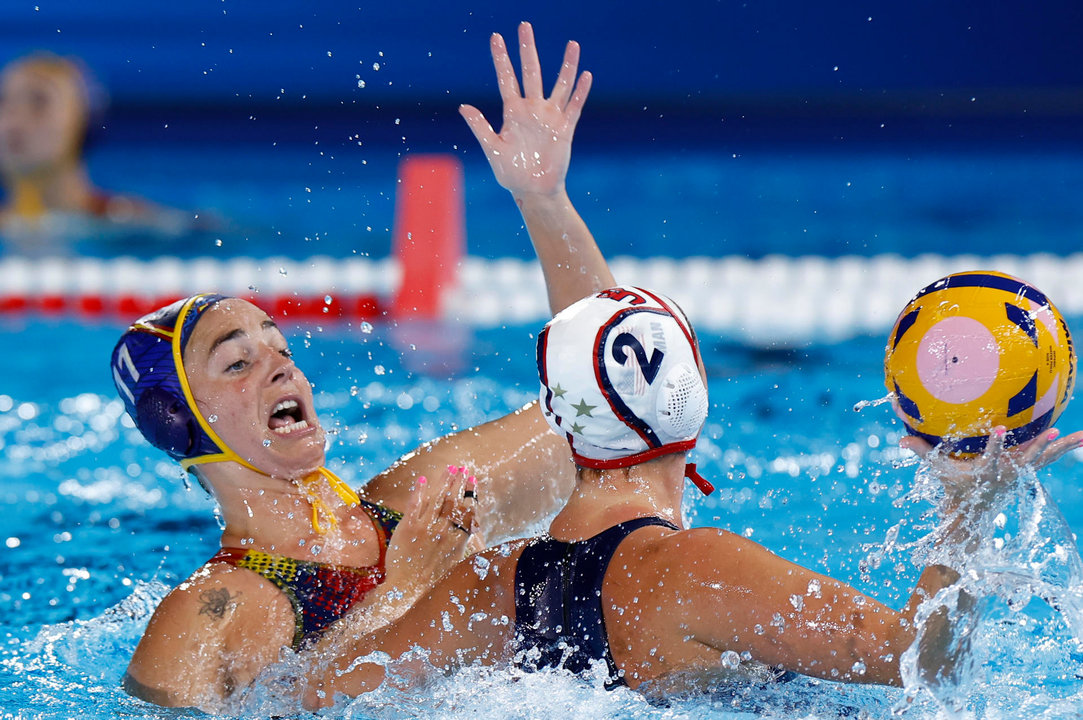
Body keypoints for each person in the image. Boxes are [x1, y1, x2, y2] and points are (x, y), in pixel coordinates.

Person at [297, 24, 1083, 707]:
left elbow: (311, 694)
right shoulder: (700, 573)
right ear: (692, 398)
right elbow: (922, 664)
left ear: (559, 417)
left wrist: (404, 584)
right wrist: (967, 507)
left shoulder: (484, 586)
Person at [115, 22, 602, 712]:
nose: (282, 368)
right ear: (179, 422)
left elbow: (606, 398)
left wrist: (542, 199)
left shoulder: (429, 503)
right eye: (237, 363)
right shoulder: (206, 618)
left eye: (281, 348)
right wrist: (406, 588)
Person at [0, 53, 194, 252]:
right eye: (3, 101)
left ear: (83, 122)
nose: (13, 120)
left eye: (38, 102)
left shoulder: (134, 223)